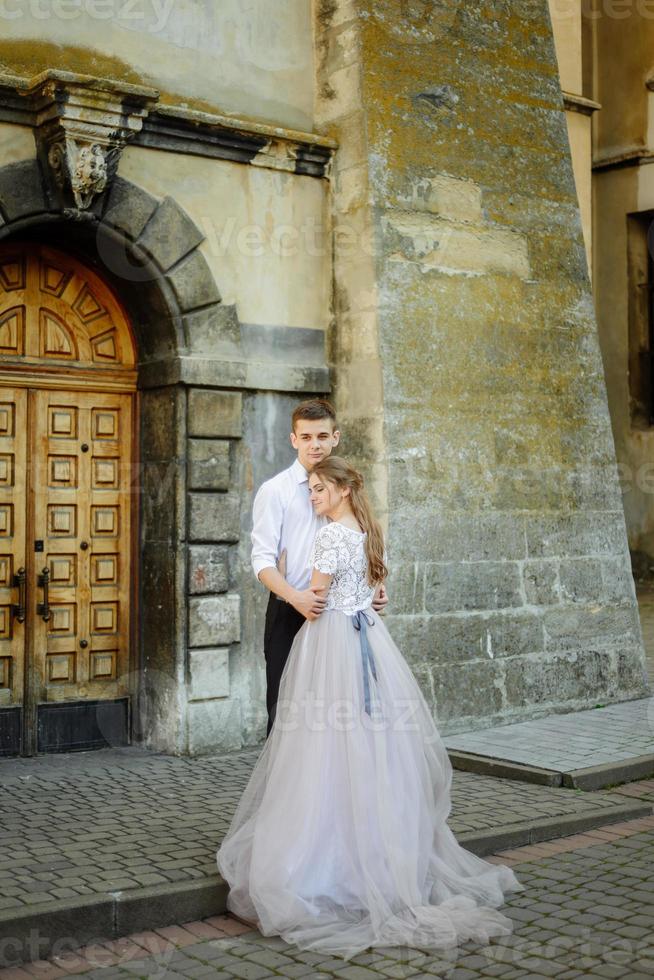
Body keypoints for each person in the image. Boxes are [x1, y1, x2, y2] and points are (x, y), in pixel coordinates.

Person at [217, 456, 524, 961]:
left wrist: (307, 594)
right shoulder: (365, 529)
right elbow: (372, 589)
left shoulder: (330, 536)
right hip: (369, 639)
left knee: (320, 745)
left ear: (340, 489)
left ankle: (325, 862)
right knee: (370, 741)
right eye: (310, 488)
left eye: (319, 489)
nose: (312, 496)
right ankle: (381, 853)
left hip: (333, 645)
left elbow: (317, 596)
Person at [250, 398, 387, 736]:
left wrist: (374, 588)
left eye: (322, 436)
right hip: (291, 611)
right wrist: (295, 597)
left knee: (341, 716)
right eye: (307, 437)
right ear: (294, 439)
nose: (315, 445)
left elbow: (362, 539)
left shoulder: (345, 486)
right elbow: (261, 560)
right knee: (286, 715)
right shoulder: (276, 491)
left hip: (341, 620)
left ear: (335, 438)